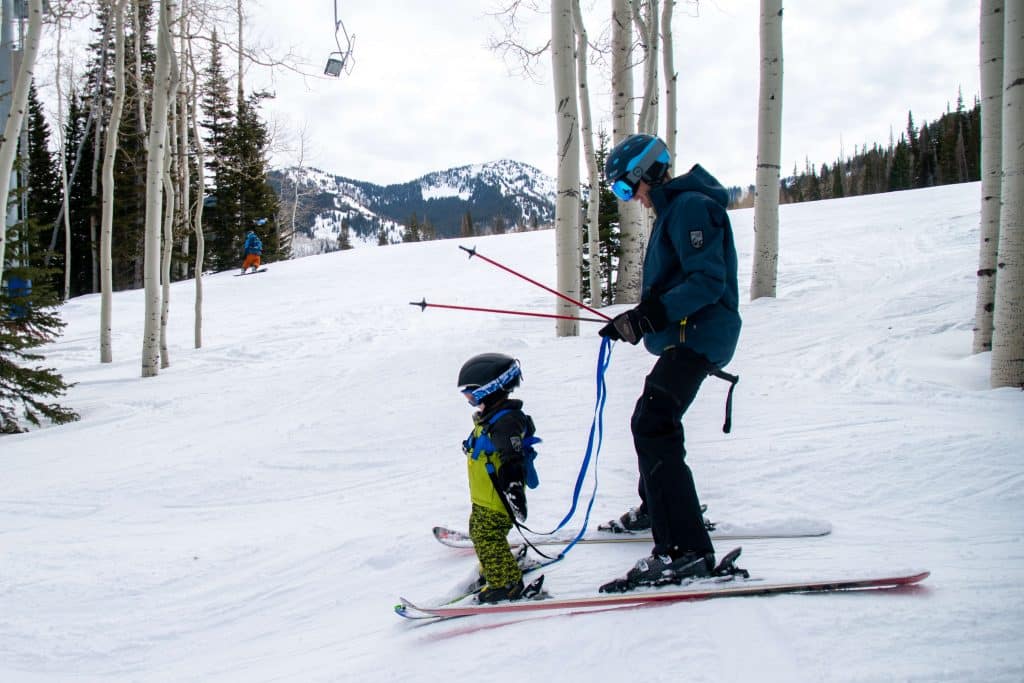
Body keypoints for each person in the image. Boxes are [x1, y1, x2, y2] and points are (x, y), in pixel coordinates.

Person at [597, 133, 741, 593]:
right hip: (684, 335)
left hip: (698, 336)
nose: (627, 199)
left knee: (653, 422)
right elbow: (672, 286)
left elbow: (707, 282)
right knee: (649, 418)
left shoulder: (691, 208)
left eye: (624, 188)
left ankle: (684, 550)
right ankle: (658, 508)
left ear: (646, 174)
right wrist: (636, 320)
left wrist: (648, 316)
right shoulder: (673, 211)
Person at [458, 352, 538, 603]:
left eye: (470, 393)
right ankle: (494, 565)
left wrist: (514, 490)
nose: (468, 399)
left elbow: (511, 459)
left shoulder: (506, 423)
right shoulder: (493, 417)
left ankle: (506, 584)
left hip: (498, 497)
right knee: (480, 532)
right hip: (485, 497)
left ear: (489, 390)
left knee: (486, 535)